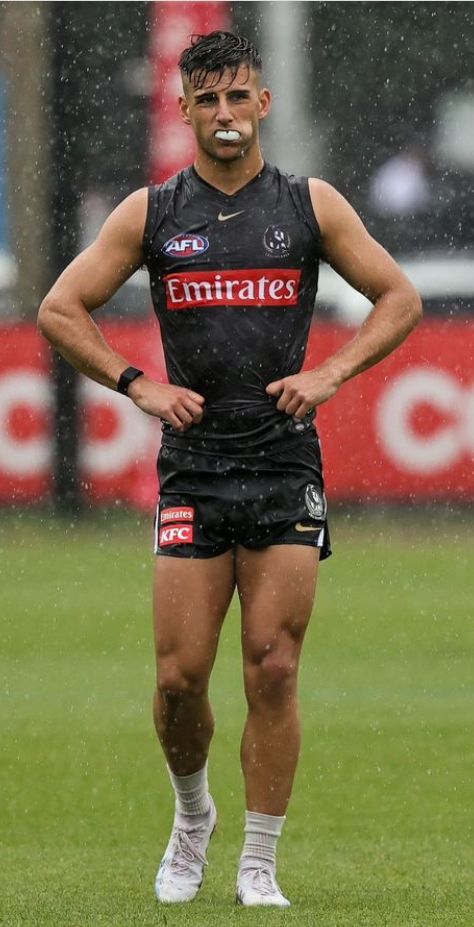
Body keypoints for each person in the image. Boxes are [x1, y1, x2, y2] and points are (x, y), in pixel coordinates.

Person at [38, 31, 422, 908]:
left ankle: (259, 861)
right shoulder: (151, 214)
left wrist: (330, 373)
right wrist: (138, 384)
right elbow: (60, 308)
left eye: (237, 97)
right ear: (183, 109)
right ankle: (191, 814)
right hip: (195, 469)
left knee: (274, 667)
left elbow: (399, 297)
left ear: (263, 104)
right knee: (178, 680)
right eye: (206, 100)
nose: (223, 114)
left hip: (285, 461)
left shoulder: (308, 204)